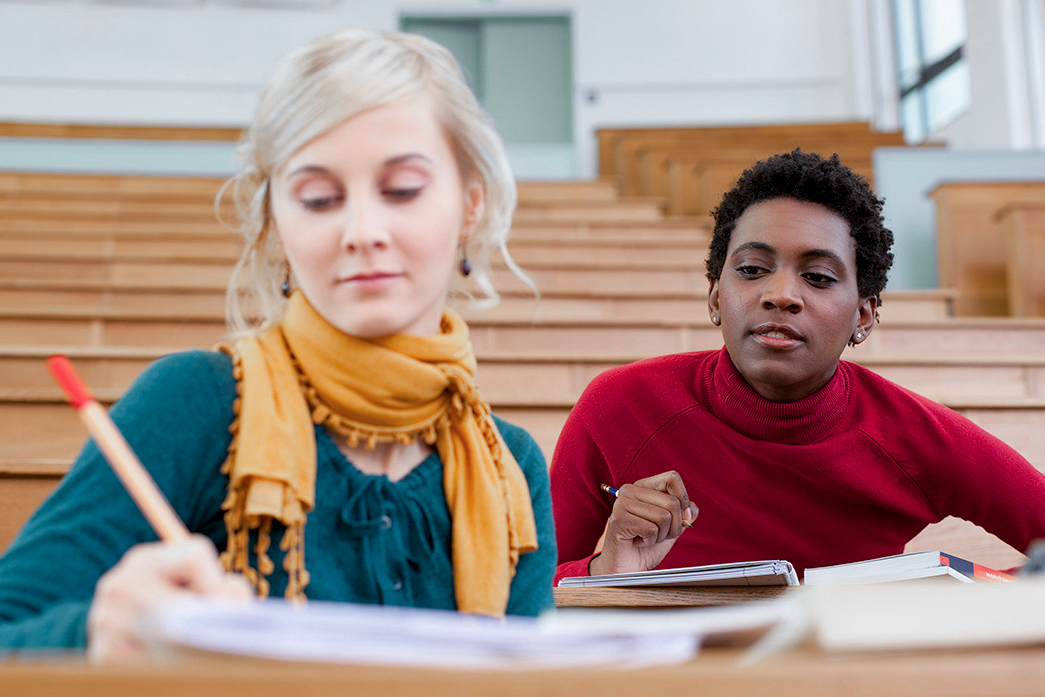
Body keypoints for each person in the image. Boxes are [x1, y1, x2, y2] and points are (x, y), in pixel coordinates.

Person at [0, 29, 556, 660]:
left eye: (402, 189)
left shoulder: (514, 466)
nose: (362, 231)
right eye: (318, 199)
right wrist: (93, 636)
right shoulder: (196, 403)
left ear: (471, 202)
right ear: (274, 222)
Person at [550, 149, 1045, 583]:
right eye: (751, 270)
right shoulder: (619, 405)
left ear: (864, 315)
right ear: (716, 296)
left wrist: (934, 606)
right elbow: (518, 590)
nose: (780, 294)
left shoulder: (918, 437)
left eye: (818, 276)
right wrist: (604, 573)